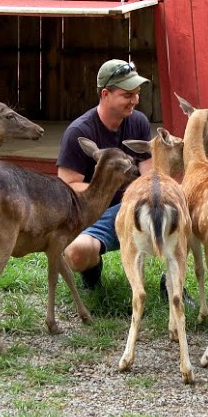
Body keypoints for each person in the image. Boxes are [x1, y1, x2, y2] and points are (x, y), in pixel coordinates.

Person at [57, 59, 153, 290]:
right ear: (105, 94)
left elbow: (150, 174)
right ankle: (92, 266)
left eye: (137, 93)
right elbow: (66, 186)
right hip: (95, 214)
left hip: (135, 208)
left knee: (184, 209)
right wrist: (106, 190)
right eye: (127, 95)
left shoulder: (138, 122)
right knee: (76, 254)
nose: (135, 101)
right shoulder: (79, 132)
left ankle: (171, 284)